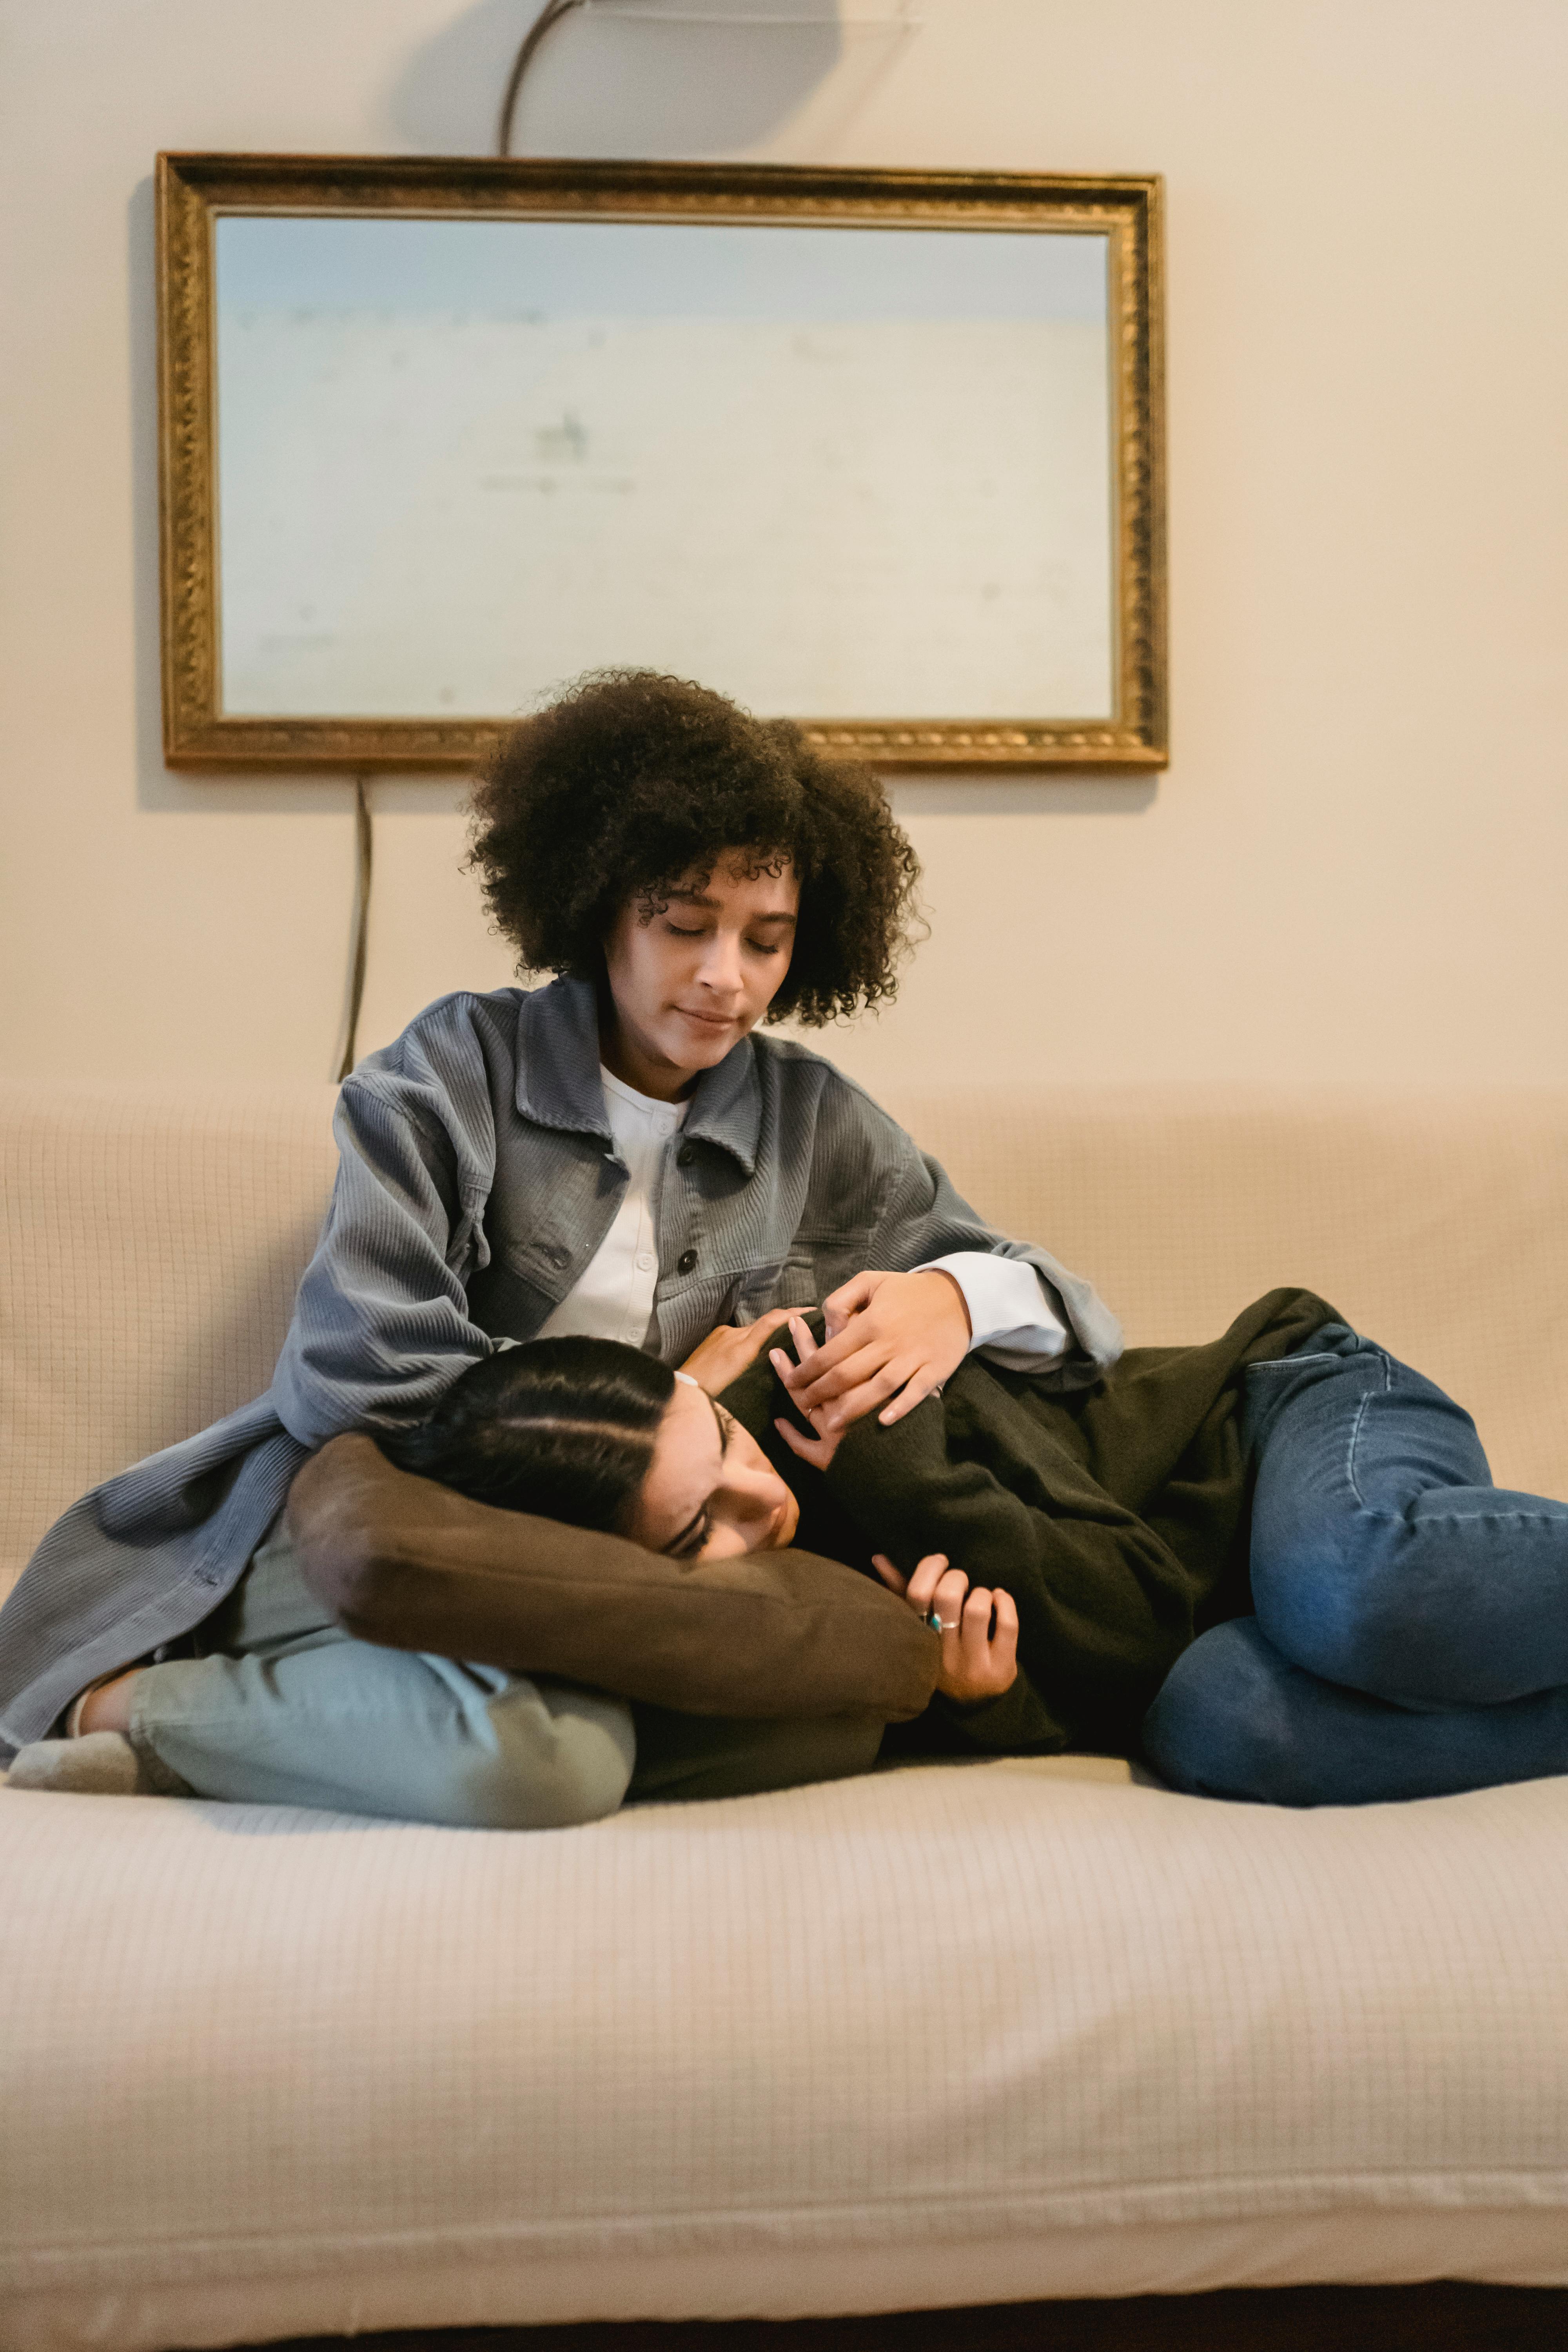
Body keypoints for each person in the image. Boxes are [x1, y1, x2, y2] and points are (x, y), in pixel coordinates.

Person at [0, 670, 1118, 1820]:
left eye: (766, 941)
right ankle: (132, 1710)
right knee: (557, 1760)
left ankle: (315, 1726)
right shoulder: (455, 1072)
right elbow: (355, 1374)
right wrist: (661, 1406)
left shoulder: (814, 1123)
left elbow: (1082, 1330)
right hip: (388, 1529)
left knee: (825, 1716)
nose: (725, 977)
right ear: (598, 905)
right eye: (684, 924)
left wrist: (959, 1297)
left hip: (634, 1582)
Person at [278, 1306, 1568, 1813]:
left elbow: (1134, 1597)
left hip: (1290, 1422)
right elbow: (1135, 1667)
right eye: (698, 1534)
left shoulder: (846, 1383)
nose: (758, 1506)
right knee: (1219, 1730)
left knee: (1353, 1590)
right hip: (1222, 1631)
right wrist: (986, 1703)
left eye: (721, 1442)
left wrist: (900, 1484)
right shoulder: (751, 1627)